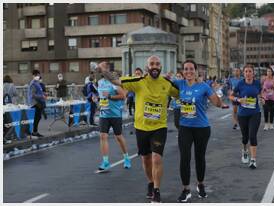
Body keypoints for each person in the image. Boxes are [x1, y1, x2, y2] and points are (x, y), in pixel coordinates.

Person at [98, 56, 179, 203]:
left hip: (159, 127)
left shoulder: (167, 84)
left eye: (157, 64)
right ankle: (150, 182)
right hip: (141, 127)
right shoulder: (138, 82)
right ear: (147, 67)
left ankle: (156, 190)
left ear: (161, 67)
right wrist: (104, 71)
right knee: (146, 159)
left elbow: (182, 93)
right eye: (152, 64)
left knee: (156, 158)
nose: (155, 66)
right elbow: (116, 81)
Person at [174, 60, 223, 202]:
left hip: (202, 128)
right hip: (185, 128)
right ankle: (186, 189)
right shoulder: (179, 84)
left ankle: (200, 185)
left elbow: (216, 102)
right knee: (184, 158)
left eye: (191, 69)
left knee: (199, 157)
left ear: (195, 71)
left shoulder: (203, 86)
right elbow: (163, 83)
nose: (188, 71)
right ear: (183, 72)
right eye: (186, 69)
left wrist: (218, 96)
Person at [97, 66, 131, 172]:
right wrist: (98, 100)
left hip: (115, 114)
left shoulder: (114, 83)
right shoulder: (100, 82)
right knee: (103, 136)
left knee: (118, 137)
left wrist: (110, 97)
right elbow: (102, 96)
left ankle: (126, 158)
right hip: (104, 114)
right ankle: (105, 161)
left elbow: (123, 96)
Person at [229, 64, 264, 169]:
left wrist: (262, 99)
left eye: (250, 71)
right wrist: (238, 100)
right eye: (246, 72)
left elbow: (261, 93)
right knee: (245, 137)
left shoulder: (257, 83)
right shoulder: (240, 84)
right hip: (242, 114)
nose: (248, 73)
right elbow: (231, 96)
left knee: (252, 135)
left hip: (255, 113)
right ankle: (245, 150)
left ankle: (253, 160)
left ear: (253, 73)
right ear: (243, 73)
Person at [27, 70, 46, 137]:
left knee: (38, 117)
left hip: (38, 102)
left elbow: (38, 92)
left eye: (38, 75)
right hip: (35, 102)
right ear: (33, 76)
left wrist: (43, 94)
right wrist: (42, 96)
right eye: (36, 75)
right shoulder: (33, 84)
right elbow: (33, 95)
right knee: (37, 117)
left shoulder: (37, 83)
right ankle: (34, 131)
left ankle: (35, 131)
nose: (38, 77)